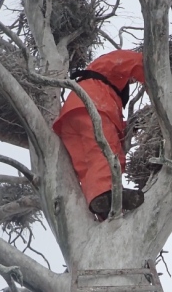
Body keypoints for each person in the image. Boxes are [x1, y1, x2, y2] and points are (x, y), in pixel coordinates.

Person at [53, 49, 146, 216]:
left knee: (86, 166)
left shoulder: (98, 82)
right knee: (106, 153)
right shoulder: (104, 68)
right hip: (94, 106)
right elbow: (138, 62)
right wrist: (160, 86)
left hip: (71, 118)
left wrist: (131, 126)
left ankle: (102, 206)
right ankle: (106, 193)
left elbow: (115, 130)